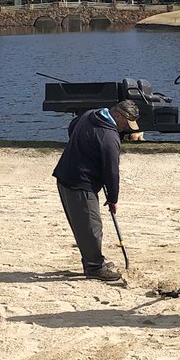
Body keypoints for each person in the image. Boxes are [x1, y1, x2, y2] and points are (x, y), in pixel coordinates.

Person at [52, 99, 139, 280]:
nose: (127, 128)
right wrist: (113, 198)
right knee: (92, 226)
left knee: (85, 224)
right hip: (79, 182)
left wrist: (82, 147)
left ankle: (93, 261)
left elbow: (72, 127)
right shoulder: (109, 137)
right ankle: (94, 267)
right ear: (117, 116)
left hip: (65, 175)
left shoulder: (92, 114)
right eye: (126, 123)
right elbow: (112, 172)